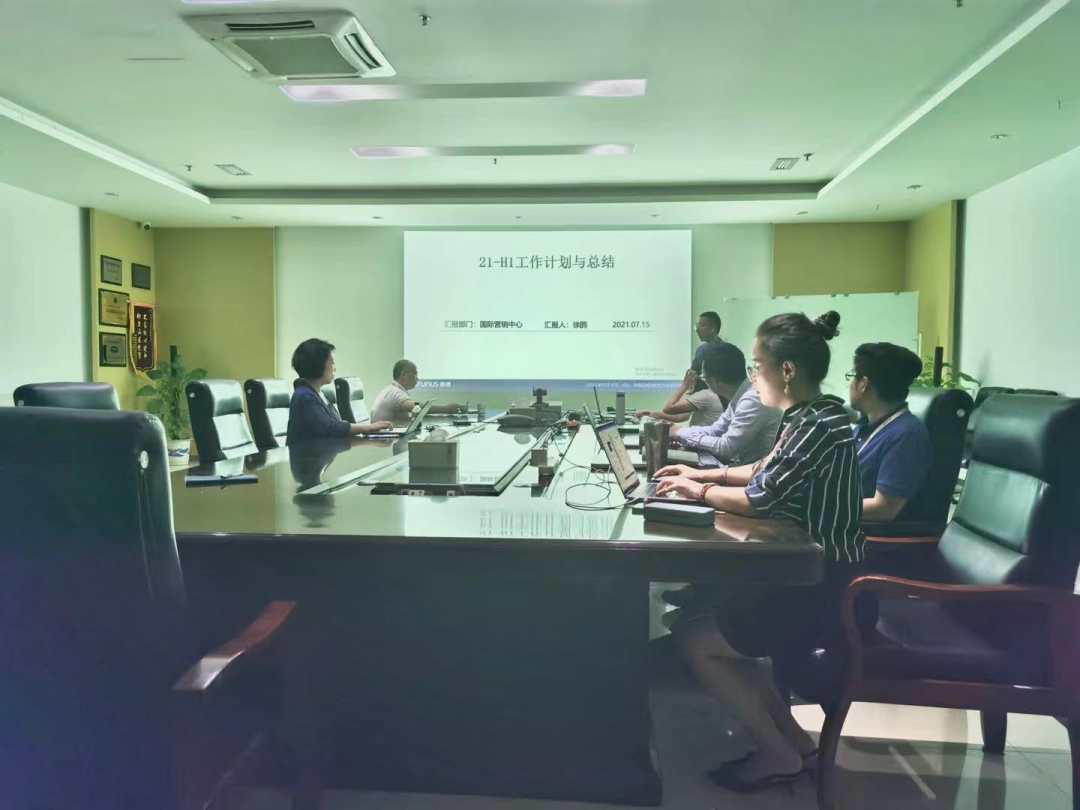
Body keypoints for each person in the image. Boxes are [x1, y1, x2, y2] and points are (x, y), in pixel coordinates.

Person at [654, 311, 864, 792]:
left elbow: (760, 498)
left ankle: (777, 755)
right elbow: (761, 469)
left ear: (786, 370)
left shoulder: (818, 424)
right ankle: (796, 745)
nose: (752, 376)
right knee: (715, 631)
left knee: (697, 643)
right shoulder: (812, 415)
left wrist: (697, 493)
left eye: (757, 365)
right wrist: (699, 474)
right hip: (807, 574)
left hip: (824, 586)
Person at [847, 343, 932, 521]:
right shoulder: (865, 427)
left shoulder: (906, 435)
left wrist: (822, 507)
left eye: (852, 376)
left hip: (863, 534)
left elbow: (883, 508)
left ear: (864, 383)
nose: (850, 383)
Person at [671, 342, 782, 466]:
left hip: (760, 472)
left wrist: (679, 433)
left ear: (712, 380)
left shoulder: (753, 398)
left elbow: (726, 448)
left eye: (704, 377)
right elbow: (715, 430)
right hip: (747, 467)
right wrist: (680, 431)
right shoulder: (741, 395)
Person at [286, 338, 393, 444]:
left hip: (322, 451)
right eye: (332, 363)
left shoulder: (317, 393)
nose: (334, 369)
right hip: (307, 454)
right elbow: (329, 427)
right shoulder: (305, 396)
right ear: (318, 364)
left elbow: (334, 423)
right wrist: (369, 427)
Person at [370, 359, 463, 424]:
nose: (417, 379)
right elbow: (416, 408)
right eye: (415, 374)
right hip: (384, 439)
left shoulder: (392, 389)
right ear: (403, 374)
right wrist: (446, 409)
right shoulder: (395, 392)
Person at [634, 369, 726, 426]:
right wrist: (648, 413)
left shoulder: (706, 395)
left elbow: (668, 408)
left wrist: (685, 385)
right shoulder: (708, 396)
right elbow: (678, 417)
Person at [691, 310, 724, 375]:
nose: (697, 330)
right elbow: (694, 373)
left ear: (712, 328)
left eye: (701, 325)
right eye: (697, 326)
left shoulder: (726, 352)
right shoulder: (700, 350)